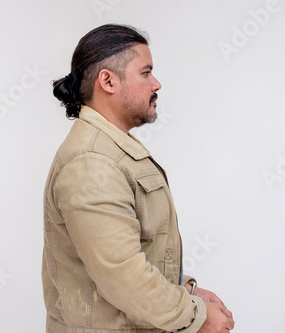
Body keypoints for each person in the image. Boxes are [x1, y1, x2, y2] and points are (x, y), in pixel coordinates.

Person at [42, 24, 234, 333]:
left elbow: (132, 253)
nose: (156, 83)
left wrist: (185, 291)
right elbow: (122, 274)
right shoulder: (93, 162)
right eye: (145, 73)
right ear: (108, 81)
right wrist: (196, 317)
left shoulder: (110, 149)